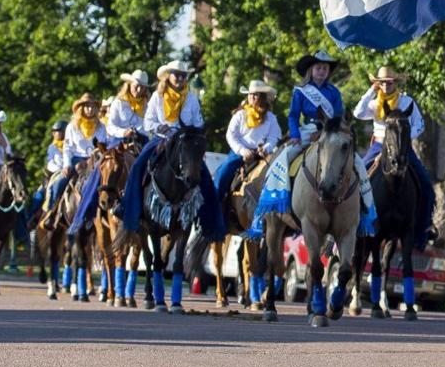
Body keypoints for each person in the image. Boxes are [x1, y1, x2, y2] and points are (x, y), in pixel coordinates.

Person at [253, 51, 375, 236]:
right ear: (311, 70)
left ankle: (366, 209)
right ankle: (274, 199)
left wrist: (327, 132)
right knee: (283, 158)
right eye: (319, 68)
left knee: (358, 163)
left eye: (325, 68)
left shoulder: (333, 92)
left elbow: (338, 116)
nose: (322, 71)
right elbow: (293, 115)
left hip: (330, 133)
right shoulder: (300, 91)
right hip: (306, 132)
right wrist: (294, 134)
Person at [121, 59, 225, 240]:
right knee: (138, 165)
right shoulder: (157, 96)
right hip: (162, 139)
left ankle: (209, 221)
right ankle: (130, 211)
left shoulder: (191, 98)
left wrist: (192, 131)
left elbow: (198, 122)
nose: (180, 78)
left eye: (183, 75)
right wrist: (159, 128)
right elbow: (148, 122)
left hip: (185, 141)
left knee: (205, 176)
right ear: (168, 76)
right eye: (176, 74)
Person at [353, 66, 436, 248]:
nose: (385, 85)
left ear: (395, 83)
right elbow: (357, 113)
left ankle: (425, 226)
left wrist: (406, 137)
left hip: (402, 146)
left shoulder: (406, 102)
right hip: (378, 145)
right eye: (381, 82)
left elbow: (419, 124)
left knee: (426, 183)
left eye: (389, 82)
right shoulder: (374, 103)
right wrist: (370, 91)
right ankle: (351, 221)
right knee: (355, 176)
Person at [215, 80, 282, 208]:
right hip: (239, 153)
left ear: (262, 97)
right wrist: (242, 150)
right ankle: (214, 206)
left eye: (255, 94)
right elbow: (231, 135)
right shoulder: (240, 114)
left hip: (262, 154)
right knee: (223, 173)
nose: (252, 97)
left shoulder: (271, 117)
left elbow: (274, 137)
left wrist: (266, 148)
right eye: (250, 94)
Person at [65, 92, 116, 235]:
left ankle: (94, 214)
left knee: (104, 180)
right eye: (86, 107)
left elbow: (104, 145)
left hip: (96, 160)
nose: (89, 109)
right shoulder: (72, 127)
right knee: (57, 184)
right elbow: (67, 148)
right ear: (81, 109)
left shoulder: (101, 127)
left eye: (92, 107)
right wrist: (67, 164)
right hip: (77, 159)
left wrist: (97, 155)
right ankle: (51, 213)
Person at [106, 70, 150, 143]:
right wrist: (124, 132)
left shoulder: (147, 105)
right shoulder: (118, 103)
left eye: (142, 87)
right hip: (120, 139)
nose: (139, 90)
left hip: (142, 140)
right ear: (129, 84)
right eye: (136, 86)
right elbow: (110, 126)